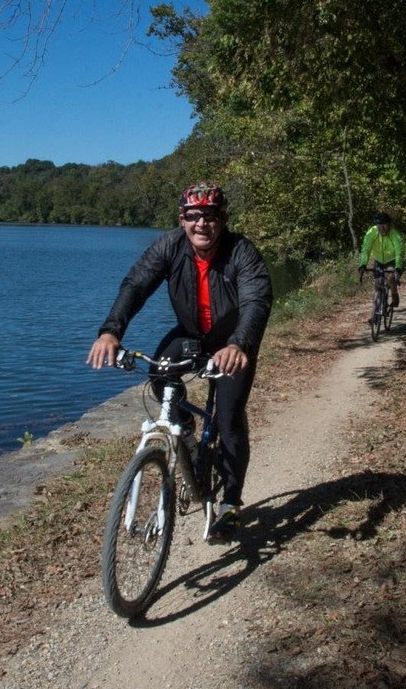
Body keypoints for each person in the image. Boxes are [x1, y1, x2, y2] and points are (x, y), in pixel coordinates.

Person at [87, 182, 272, 541]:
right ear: (182, 219)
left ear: (223, 219)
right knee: (158, 374)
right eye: (193, 216)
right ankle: (185, 428)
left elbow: (257, 301)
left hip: (233, 340)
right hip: (190, 334)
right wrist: (111, 332)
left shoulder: (241, 252)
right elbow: (136, 285)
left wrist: (239, 344)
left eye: (211, 216)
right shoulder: (170, 245)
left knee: (229, 418)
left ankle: (230, 503)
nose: (202, 224)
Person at [358, 212, 405, 308]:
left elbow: (399, 252)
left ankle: (395, 296)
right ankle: (374, 315)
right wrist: (363, 264)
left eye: (384, 225)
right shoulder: (371, 233)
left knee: (390, 277)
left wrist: (398, 267)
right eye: (379, 225)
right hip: (378, 260)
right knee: (377, 286)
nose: (381, 228)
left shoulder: (394, 234)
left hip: (391, 260)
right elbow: (366, 249)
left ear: (389, 225)